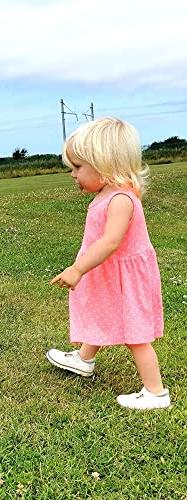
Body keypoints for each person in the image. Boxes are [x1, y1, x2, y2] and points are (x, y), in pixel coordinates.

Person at [46, 117, 170, 410]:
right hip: (111, 273)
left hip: (126, 277)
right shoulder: (106, 193)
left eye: (77, 167)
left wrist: (77, 269)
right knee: (103, 312)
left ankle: (156, 393)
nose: (73, 174)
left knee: (135, 336)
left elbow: (110, 242)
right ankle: (85, 359)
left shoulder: (121, 199)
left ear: (104, 166)